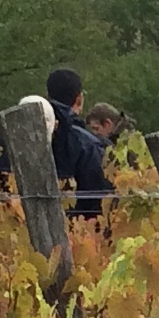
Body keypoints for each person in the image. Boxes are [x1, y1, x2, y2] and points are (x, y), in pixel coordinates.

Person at [44, 65, 112, 219]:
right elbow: (98, 200)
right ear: (79, 99)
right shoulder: (88, 144)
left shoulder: (14, 135)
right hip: (77, 227)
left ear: (48, 96)